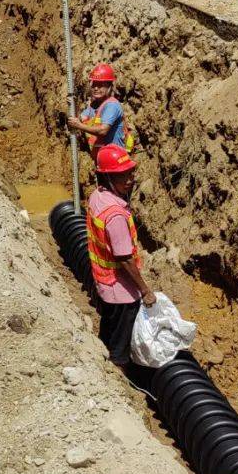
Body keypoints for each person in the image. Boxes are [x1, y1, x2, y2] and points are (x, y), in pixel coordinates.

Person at [87, 145, 156, 367]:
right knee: (120, 344)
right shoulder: (115, 215)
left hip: (103, 281)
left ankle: (103, 356)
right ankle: (117, 373)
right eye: (121, 176)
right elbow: (124, 257)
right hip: (120, 290)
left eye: (130, 173)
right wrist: (145, 290)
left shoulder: (97, 197)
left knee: (109, 328)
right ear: (106, 177)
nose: (129, 180)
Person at [66, 62, 134, 159]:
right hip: (102, 160)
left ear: (109, 86)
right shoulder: (93, 106)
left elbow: (103, 130)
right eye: (94, 85)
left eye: (100, 85)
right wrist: (73, 106)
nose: (96, 88)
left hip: (115, 159)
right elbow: (76, 122)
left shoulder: (112, 105)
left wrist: (79, 125)